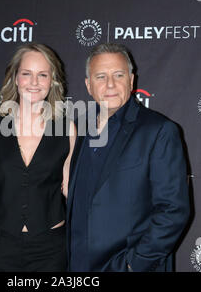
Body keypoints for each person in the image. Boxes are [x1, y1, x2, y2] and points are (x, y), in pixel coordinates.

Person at [66, 43, 190, 272]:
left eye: (118, 75)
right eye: (101, 76)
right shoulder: (77, 128)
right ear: (88, 85)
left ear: (131, 81)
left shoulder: (159, 130)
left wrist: (135, 264)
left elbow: (173, 210)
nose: (110, 84)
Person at [0, 43, 76, 271]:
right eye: (27, 74)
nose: (34, 82)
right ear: (15, 78)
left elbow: (70, 189)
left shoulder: (67, 129)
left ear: (52, 80)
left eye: (42, 75)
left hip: (50, 248)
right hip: (0, 245)